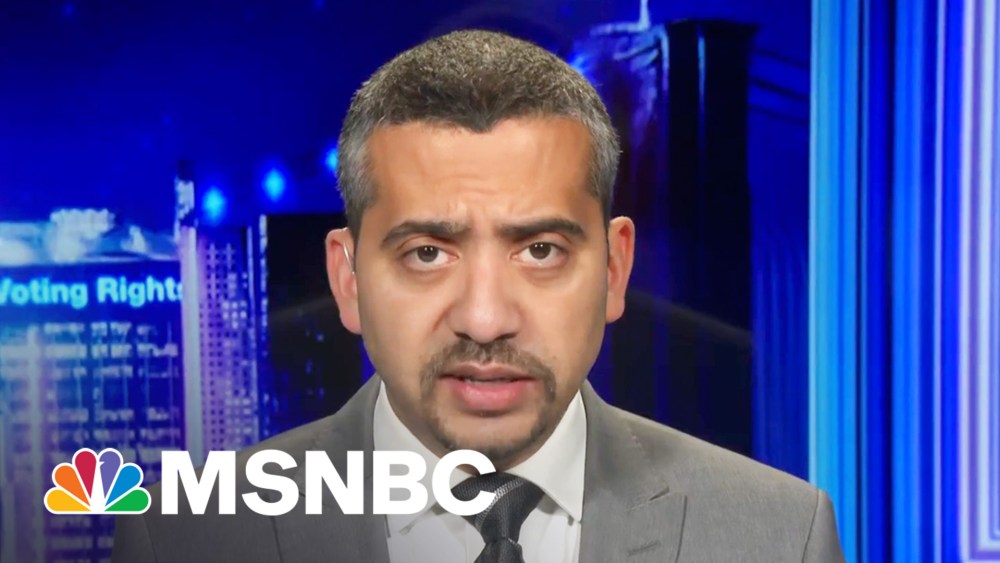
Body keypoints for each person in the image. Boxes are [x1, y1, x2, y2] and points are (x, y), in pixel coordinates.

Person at [112, 29, 845, 563]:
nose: (486, 319)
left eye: (540, 250)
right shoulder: (183, 537)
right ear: (348, 279)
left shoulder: (780, 536)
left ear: (615, 269)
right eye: (428, 253)